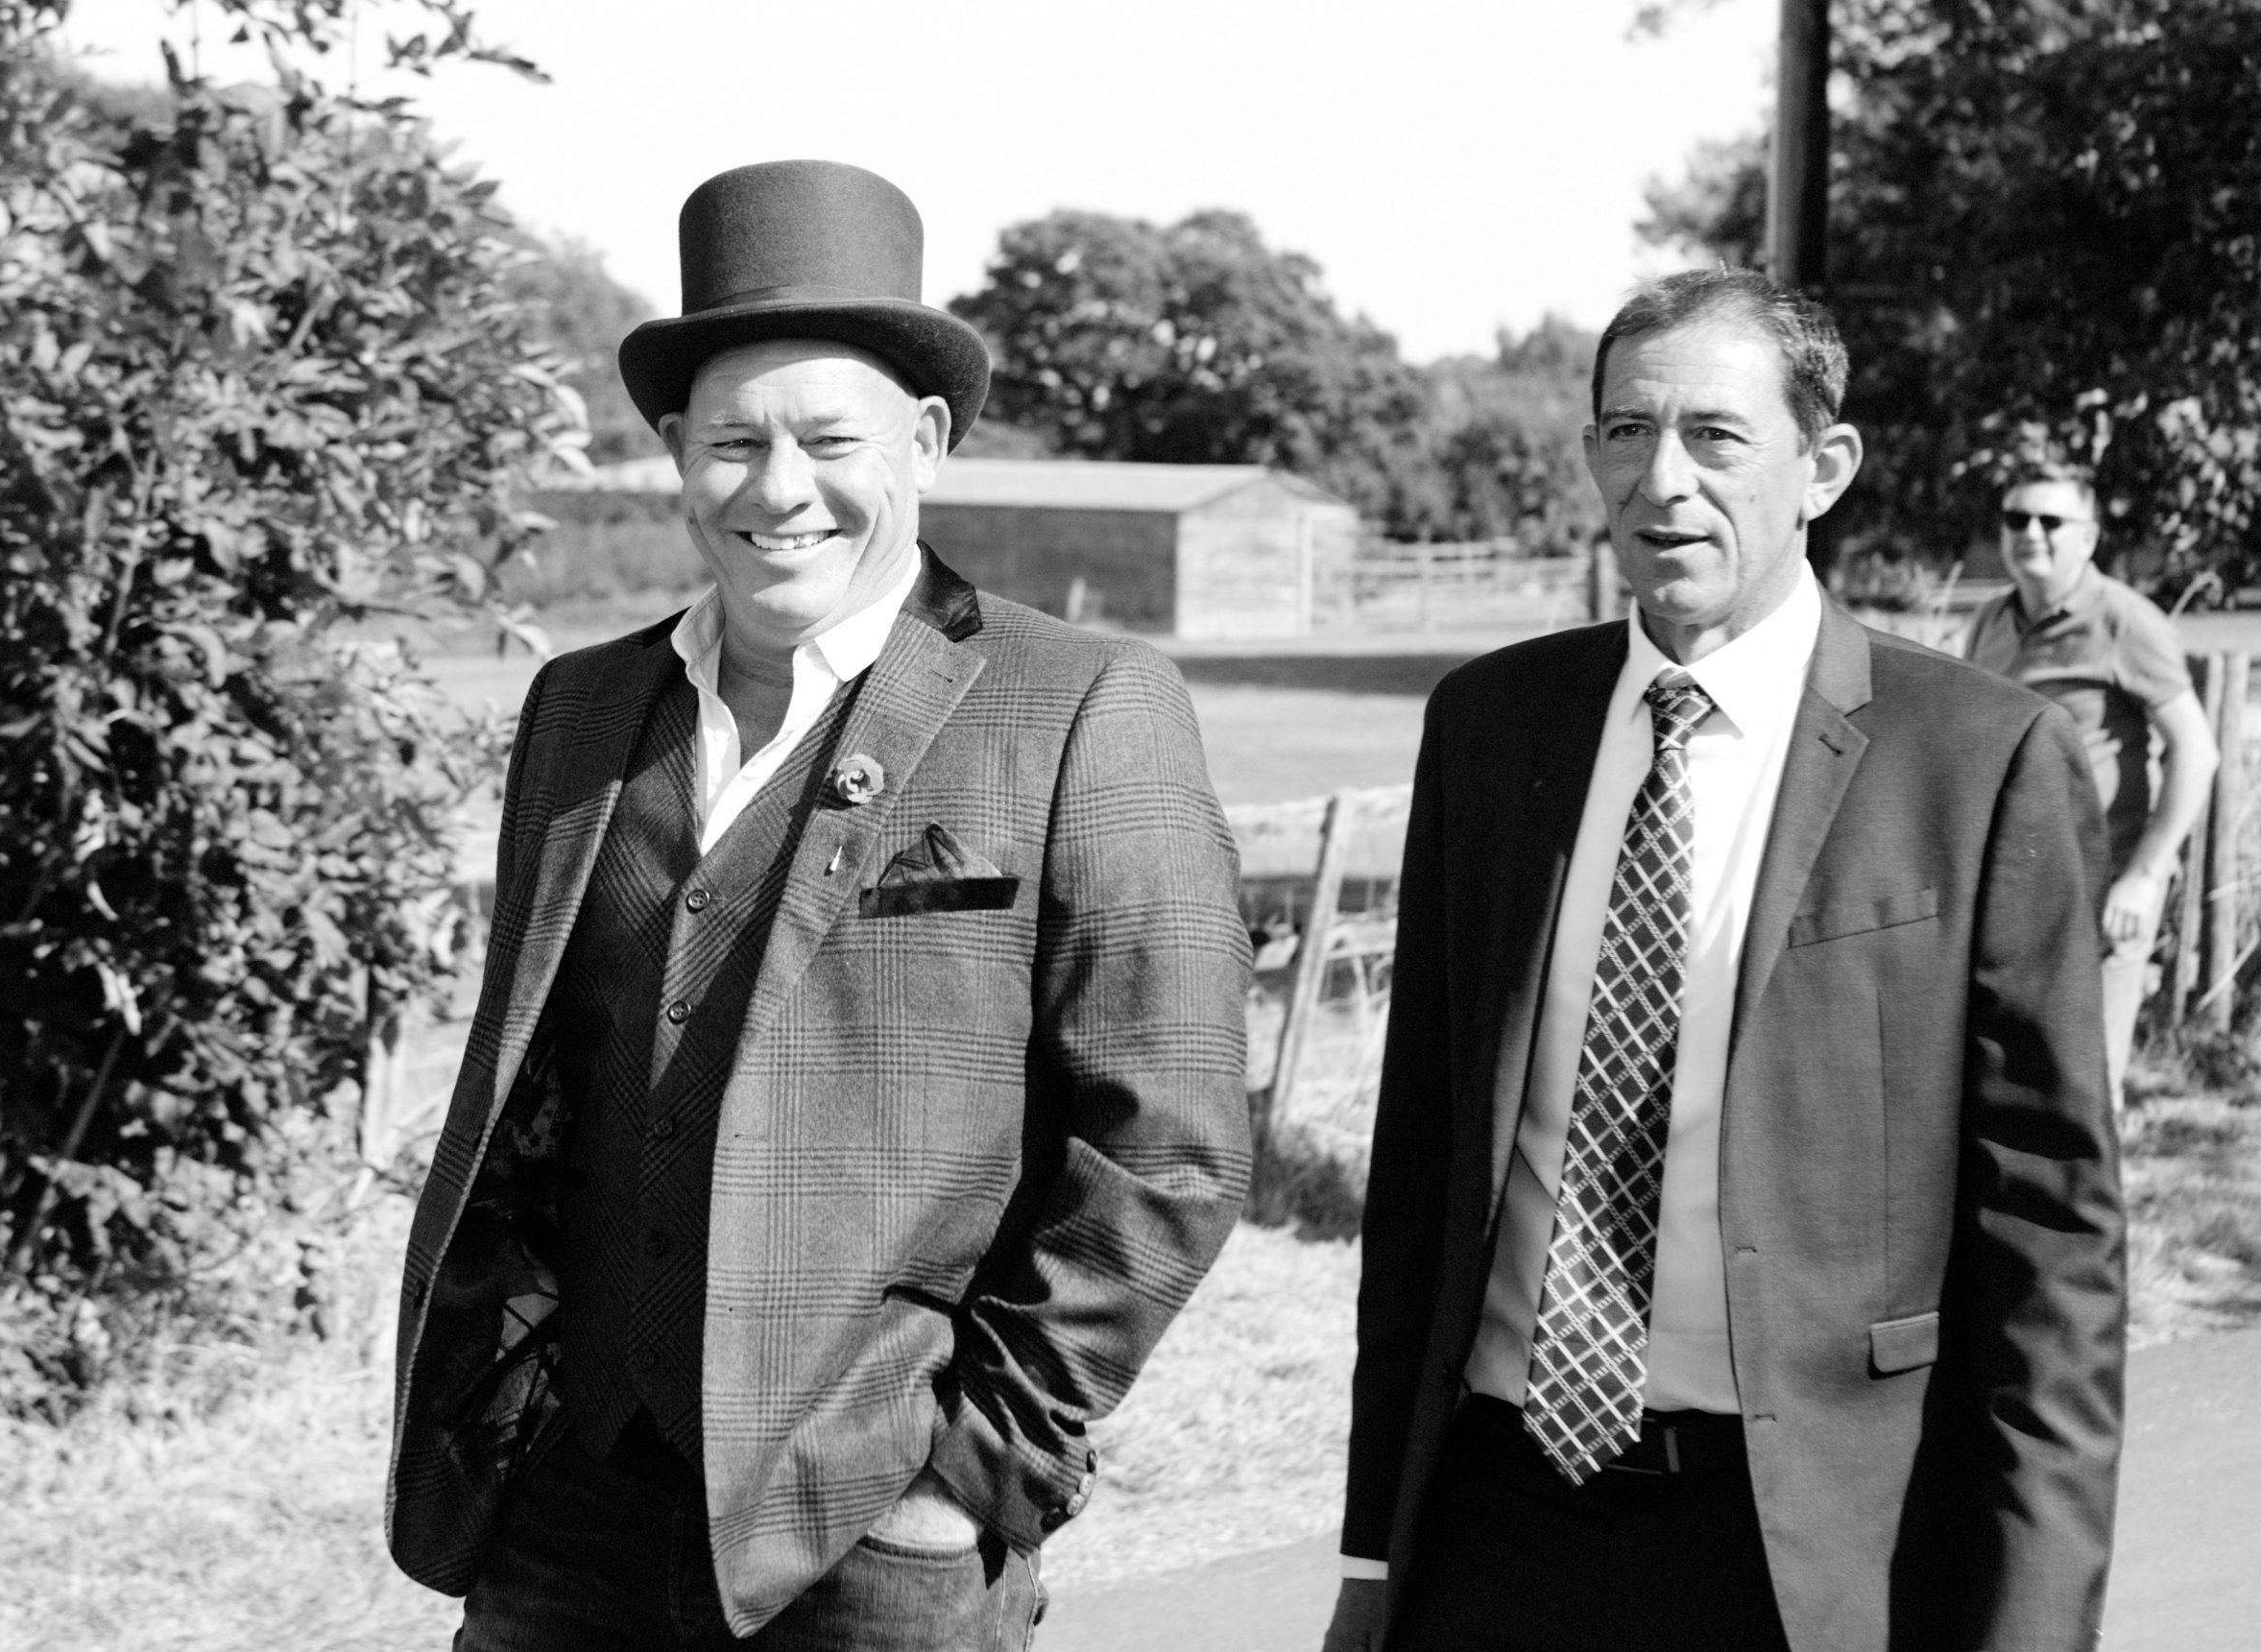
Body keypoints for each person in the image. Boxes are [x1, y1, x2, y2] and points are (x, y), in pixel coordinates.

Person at [386, 159, 1253, 1650]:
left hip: (881, 1536)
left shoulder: (1082, 705)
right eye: (733, 441)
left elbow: (1167, 1145)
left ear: (926, 440)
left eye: (830, 439)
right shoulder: (578, 711)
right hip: (565, 1513)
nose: (779, 490)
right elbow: (533, 1098)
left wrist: (972, 1474)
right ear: (675, 452)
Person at [1322, 269, 2126, 1652]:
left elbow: (2052, 1249)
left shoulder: (1980, 760)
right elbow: (1421, 1172)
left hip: (1807, 1547)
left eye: (1714, 436)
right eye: (1627, 432)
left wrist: (2032, 1627)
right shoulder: (1490, 728)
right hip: (1495, 1522)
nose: (1663, 480)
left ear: (1825, 466)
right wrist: (1371, 1552)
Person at [1963, 464, 2219, 1114]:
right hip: (2013, 887)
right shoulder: (1991, 620)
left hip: (2099, 889)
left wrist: (2144, 876)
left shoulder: (2126, 621)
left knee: (2084, 1091)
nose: (2031, 533)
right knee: (2012, 1083)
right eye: (2017, 518)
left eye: (2051, 521)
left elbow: (2197, 751)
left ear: (2089, 536)